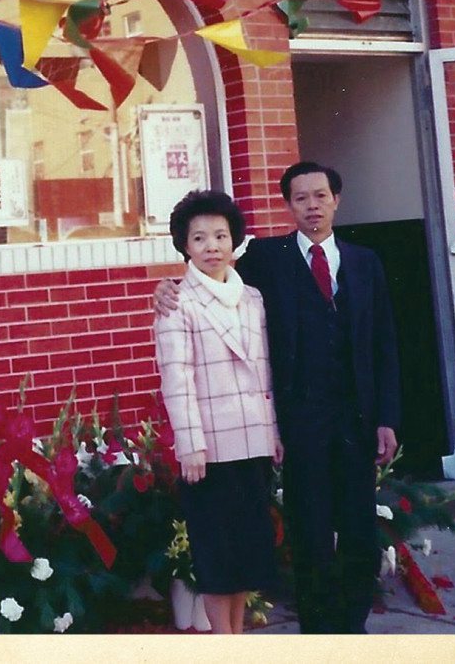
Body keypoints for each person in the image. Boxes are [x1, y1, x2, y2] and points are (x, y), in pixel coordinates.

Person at [154, 162, 400, 634]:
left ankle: (352, 627)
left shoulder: (366, 261)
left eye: (320, 196)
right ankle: (317, 631)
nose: (312, 205)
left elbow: (385, 344)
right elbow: (210, 273)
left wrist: (387, 417)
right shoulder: (267, 259)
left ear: (336, 199)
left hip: (355, 422)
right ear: (288, 205)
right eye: (301, 198)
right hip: (300, 423)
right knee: (309, 534)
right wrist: (165, 289)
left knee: (358, 532)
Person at [154, 190, 284, 635]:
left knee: (246, 556)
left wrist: (275, 433)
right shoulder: (177, 303)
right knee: (216, 556)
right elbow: (177, 379)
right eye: (200, 238)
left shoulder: (252, 299)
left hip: (252, 443)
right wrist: (190, 444)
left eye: (220, 236)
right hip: (208, 452)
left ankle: (238, 639)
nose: (212, 246)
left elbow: (265, 371)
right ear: (184, 246)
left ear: (235, 242)